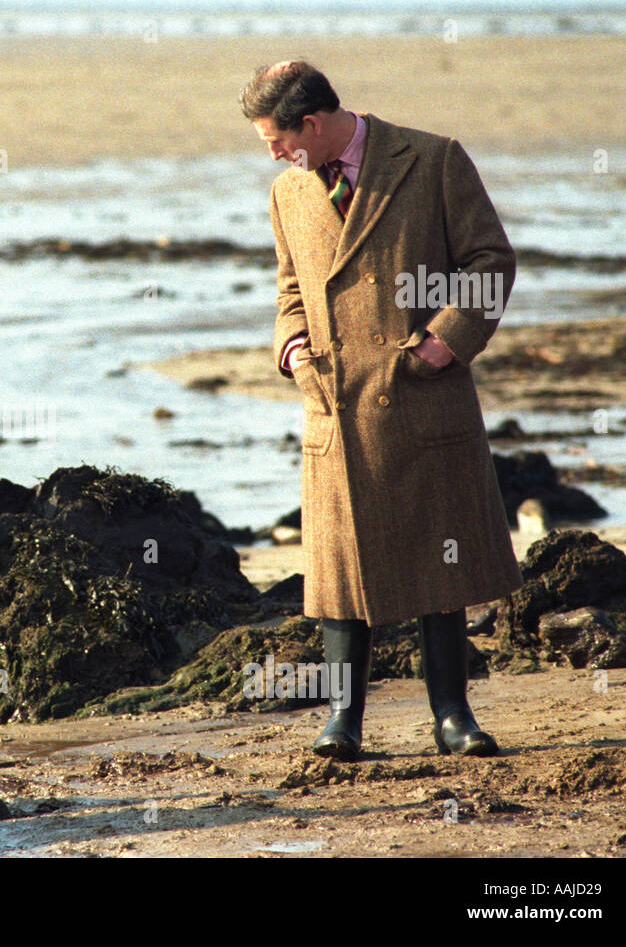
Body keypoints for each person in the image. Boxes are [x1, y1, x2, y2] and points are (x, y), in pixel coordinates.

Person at [239, 60, 523, 760]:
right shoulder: (288, 192)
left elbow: (490, 261)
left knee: (440, 561)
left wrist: (443, 344)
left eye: (276, 139)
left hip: (422, 395)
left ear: (312, 124)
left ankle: (452, 717)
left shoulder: (432, 160)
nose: (271, 153)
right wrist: (293, 350)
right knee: (340, 570)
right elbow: (290, 293)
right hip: (335, 405)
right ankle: (343, 720)